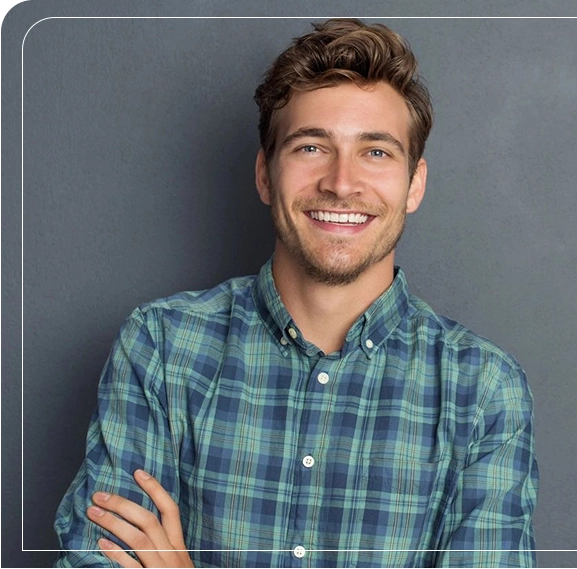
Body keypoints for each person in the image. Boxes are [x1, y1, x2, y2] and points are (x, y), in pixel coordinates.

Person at [54, 18, 538, 568]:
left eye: (375, 152)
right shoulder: (162, 348)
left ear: (415, 184)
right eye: (311, 146)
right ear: (266, 174)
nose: (341, 181)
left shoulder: (482, 391)